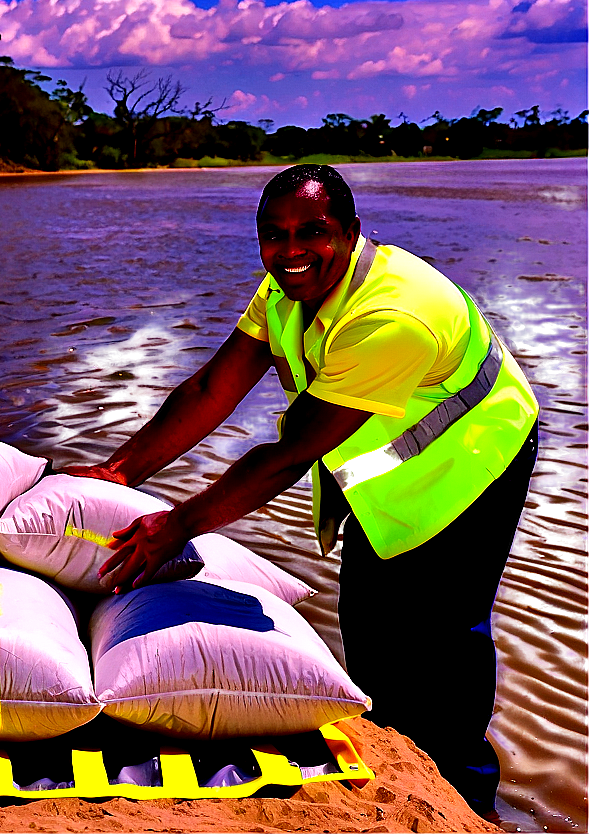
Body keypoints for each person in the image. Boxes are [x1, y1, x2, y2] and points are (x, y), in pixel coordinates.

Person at [61, 164, 539, 818]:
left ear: (349, 233)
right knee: (372, 630)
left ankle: (469, 803)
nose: (290, 251)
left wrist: (176, 526)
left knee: (447, 641)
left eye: (311, 232)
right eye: (273, 235)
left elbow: (287, 456)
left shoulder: (394, 315)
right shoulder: (288, 286)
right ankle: (400, 764)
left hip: (476, 462)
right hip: (389, 479)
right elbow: (211, 390)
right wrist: (119, 471)